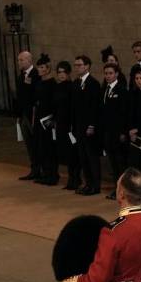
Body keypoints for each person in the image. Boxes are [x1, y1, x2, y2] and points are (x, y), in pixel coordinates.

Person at [71, 55, 104, 196]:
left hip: (89, 127)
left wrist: (92, 125)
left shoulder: (93, 84)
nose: (77, 67)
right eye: (76, 65)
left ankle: (95, 185)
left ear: (87, 66)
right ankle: (88, 183)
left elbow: (95, 107)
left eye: (80, 65)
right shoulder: (76, 83)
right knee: (83, 156)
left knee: (92, 157)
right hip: (79, 125)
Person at [100, 61, 129, 195]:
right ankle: (117, 188)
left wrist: (123, 132)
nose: (108, 76)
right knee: (112, 162)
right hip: (107, 131)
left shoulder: (122, 90)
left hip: (118, 133)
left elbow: (124, 113)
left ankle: (123, 189)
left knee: (120, 162)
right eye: (106, 73)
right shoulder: (105, 89)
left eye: (110, 73)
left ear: (116, 74)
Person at [32, 55, 59, 185]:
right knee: (41, 147)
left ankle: (53, 175)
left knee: (50, 148)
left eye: (42, 67)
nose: (40, 70)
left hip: (48, 120)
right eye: (39, 67)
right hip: (39, 118)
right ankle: (45, 173)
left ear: (48, 69)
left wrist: (52, 120)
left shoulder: (52, 84)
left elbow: (54, 104)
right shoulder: (39, 83)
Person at [15, 51, 40, 181]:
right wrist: (18, 115)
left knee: (36, 142)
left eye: (21, 60)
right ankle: (34, 168)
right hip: (24, 115)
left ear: (29, 61)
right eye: (18, 60)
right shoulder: (20, 76)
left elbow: (34, 95)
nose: (19, 62)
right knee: (29, 143)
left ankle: (40, 168)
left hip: (33, 115)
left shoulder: (35, 74)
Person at [51, 61, 77, 189]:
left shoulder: (71, 87)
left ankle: (75, 179)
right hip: (60, 123)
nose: (61, 75)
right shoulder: (57, 87)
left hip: (69, 124)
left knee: (72, 153)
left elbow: (73, 107)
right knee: (65, 152)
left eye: (63, 72)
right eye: (59, 72)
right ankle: (71, 179)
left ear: (68, 73)